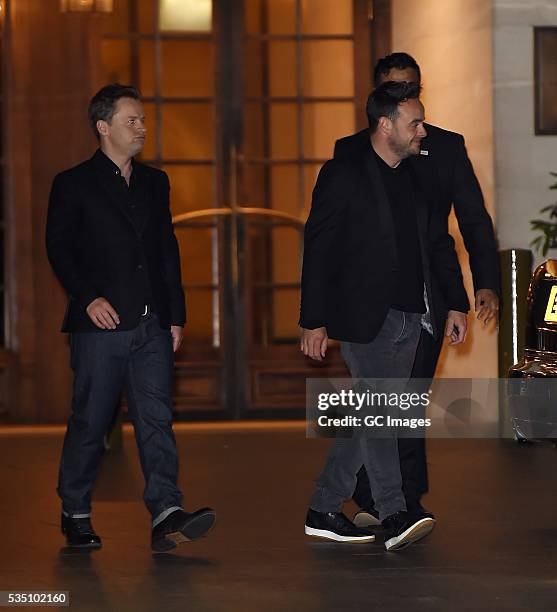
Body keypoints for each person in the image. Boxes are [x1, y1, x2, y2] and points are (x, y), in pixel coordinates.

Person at [46, 84, 215, 552]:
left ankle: (165, 510)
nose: (142, 128)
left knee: (157, 419)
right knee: (92, 421)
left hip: (152, 325)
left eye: (142, 120)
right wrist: (87, 298)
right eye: (131, 121)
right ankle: (75, 511)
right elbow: (58, 248)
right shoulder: (73, 182)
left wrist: (175, 314)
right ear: (104, 127)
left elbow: (166, 251)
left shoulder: (155, 182)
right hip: (100, 324)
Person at [300, 81, 469, 550]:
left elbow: (439, 243)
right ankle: (394, 513)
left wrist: (454, 302)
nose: (422, 132)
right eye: (414, 123)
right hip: (364, 318)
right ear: (385, 124)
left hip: (412, 317)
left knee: (375, 414)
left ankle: (323, 506)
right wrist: (312, 319)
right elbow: (318, 247)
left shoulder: (416, 178)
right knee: (381, 415)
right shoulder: (344, 173)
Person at [334, 53, 500, 526]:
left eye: (411, 88)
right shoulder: (351, 151)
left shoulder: (444, 146)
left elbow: (471, 218)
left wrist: (484, 283)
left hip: (431, 293)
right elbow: (335, 231)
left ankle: (399, 498)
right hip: (370, 300)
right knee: (377, 400)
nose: (405, 96)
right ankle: (372, 499)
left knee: (407, 398)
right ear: (377, 101)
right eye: (394, 89)